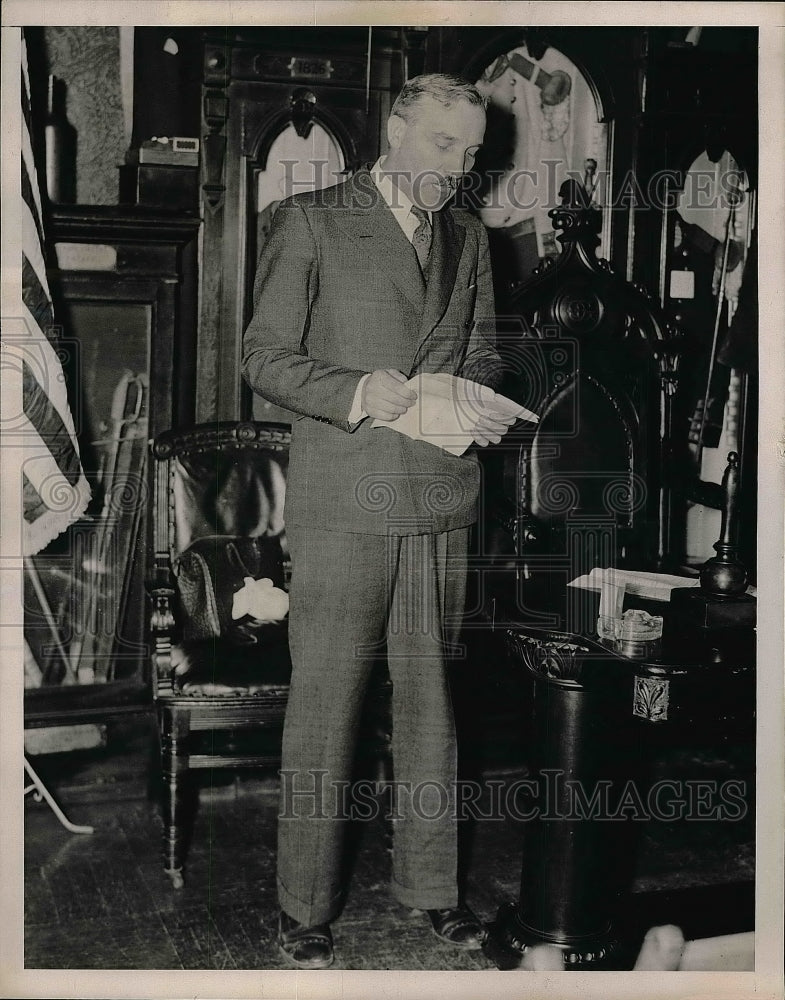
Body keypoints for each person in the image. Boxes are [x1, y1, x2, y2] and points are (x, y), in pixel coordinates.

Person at [242, 73, 514, 969]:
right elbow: (264, 357)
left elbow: (479, 342)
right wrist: (357, 389)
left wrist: (473, 393)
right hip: (345, 500)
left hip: (439, 497)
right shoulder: (313, 219)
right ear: (395, 127)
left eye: (471, 153)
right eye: (444, 145)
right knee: (328, 708)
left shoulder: (469, 236)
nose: (458, 167)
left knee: (433, 706)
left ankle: (432, 891)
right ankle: (304, 907)